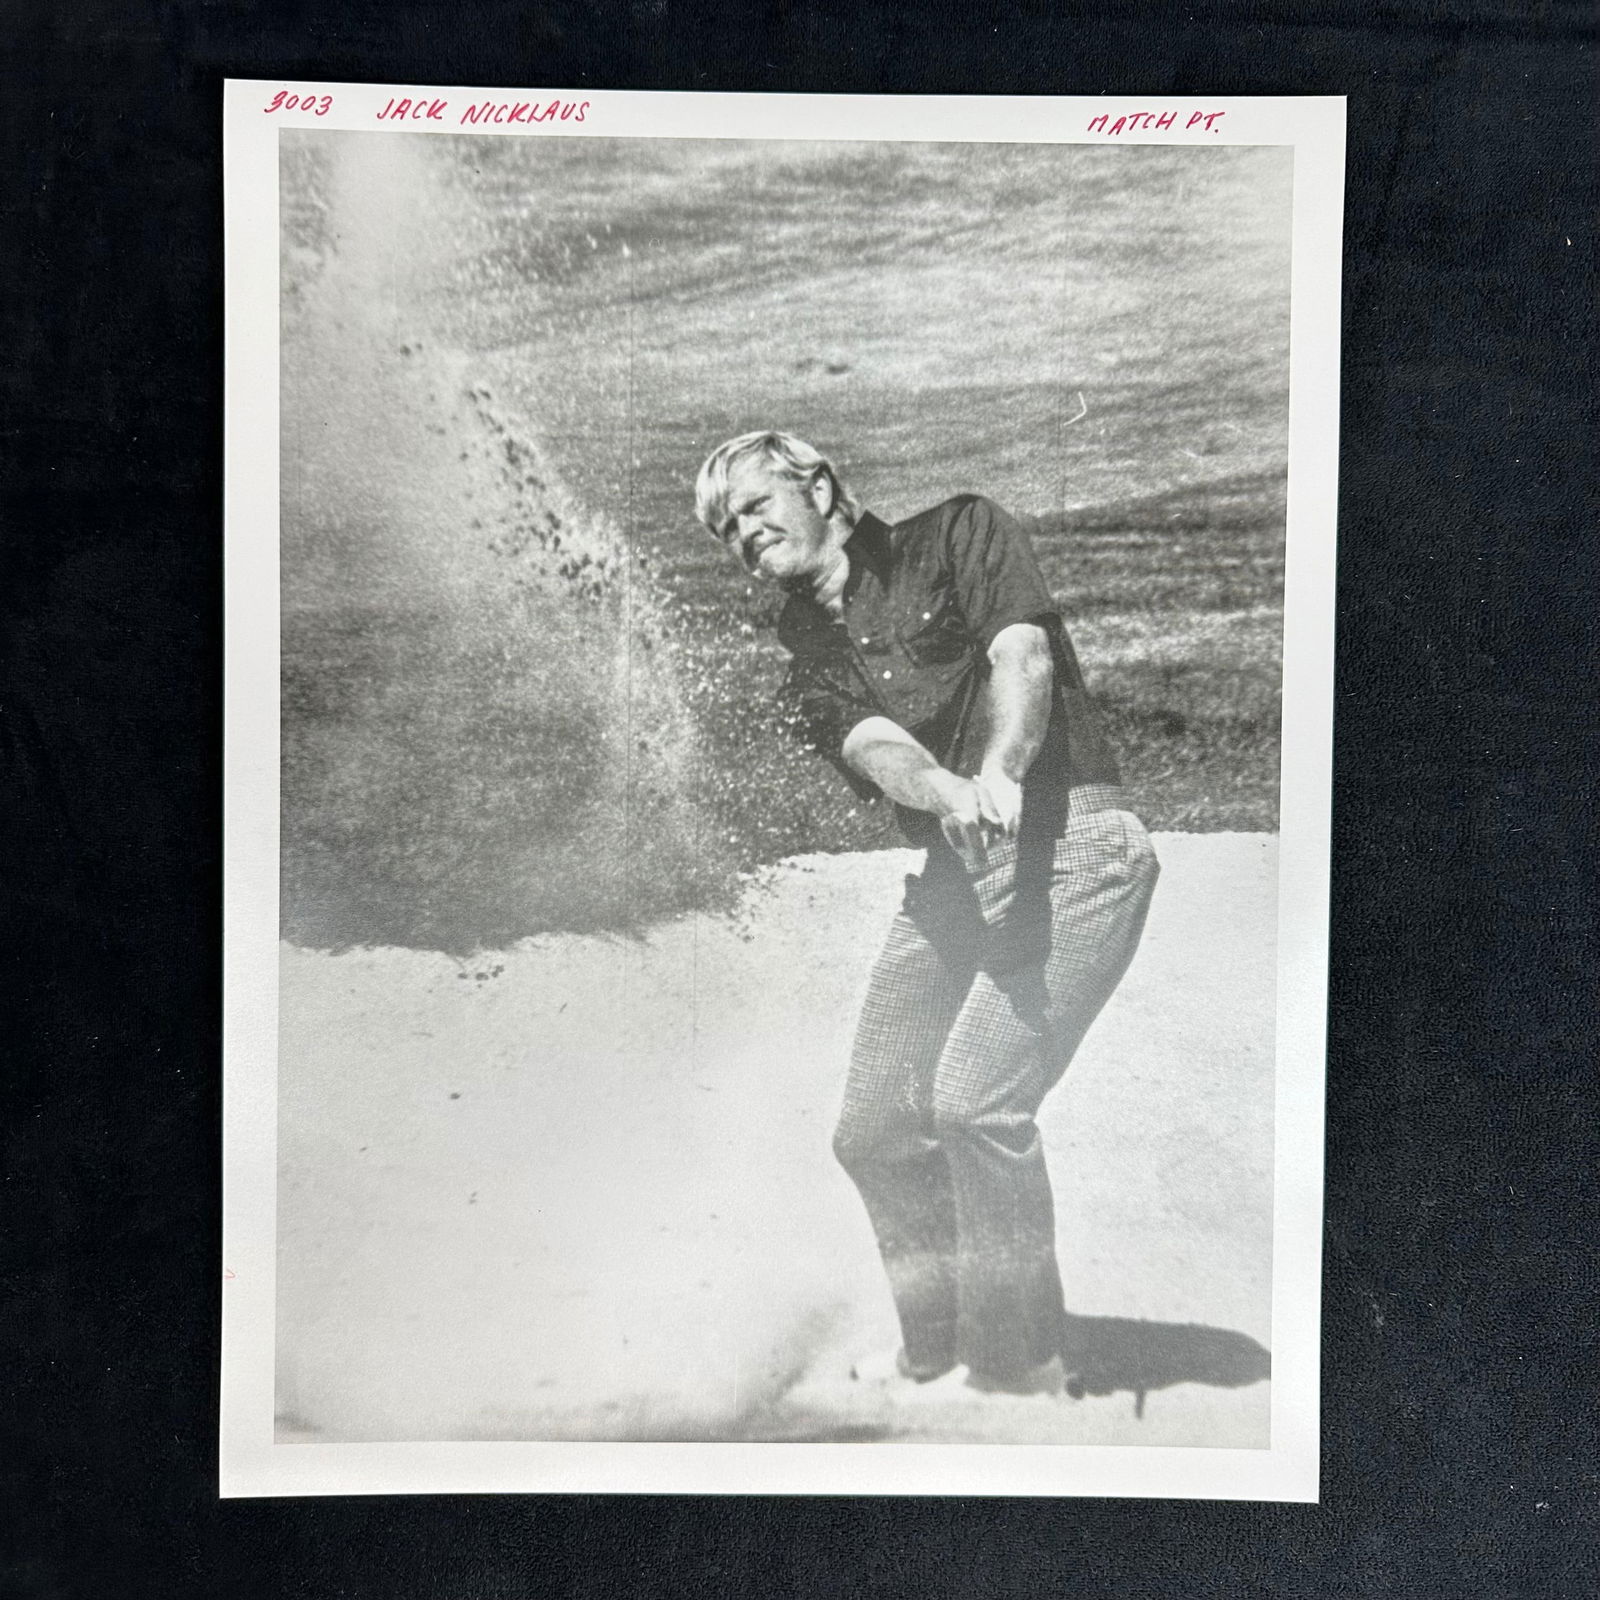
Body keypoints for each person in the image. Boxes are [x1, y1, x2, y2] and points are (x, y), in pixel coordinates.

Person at [694, 430, 1159, 1397]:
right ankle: (937, 1349)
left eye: (753, 505)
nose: (742, 533)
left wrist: (999, 770)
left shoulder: (958, 534)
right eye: (724, 529)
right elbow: (874, 748)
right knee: (873, 1127)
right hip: (958, 876)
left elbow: (1022, 655)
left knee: (975, 1103)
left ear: (817, 484)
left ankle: (1019, 1365)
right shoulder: (807, 654)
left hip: (1078, 849)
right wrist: (948, 793)